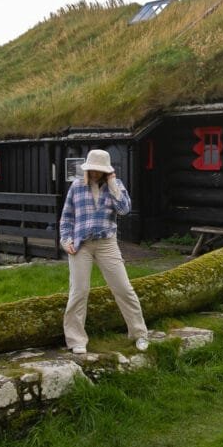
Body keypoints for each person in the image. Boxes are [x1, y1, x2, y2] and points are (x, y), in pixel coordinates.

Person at [59, 149, 149, 354]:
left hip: (107, 243)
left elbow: (124, 209)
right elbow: (67, 218)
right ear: (87, 167)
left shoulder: (115, 186)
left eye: (100, 170)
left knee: (124, 288)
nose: (95, 173)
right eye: (92, 169)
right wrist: (66, 240)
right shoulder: (76, 187)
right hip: (81, 244)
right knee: (79, 291)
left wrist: (113, 184)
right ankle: (76, 340)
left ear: (107, 171)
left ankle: (139, 334)